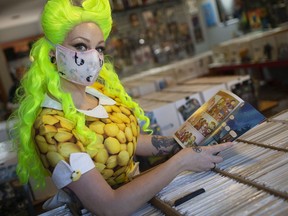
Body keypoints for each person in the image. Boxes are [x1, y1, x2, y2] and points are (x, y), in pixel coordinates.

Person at [10, 0, 233, 215]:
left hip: (146, 199)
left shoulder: (98, 92)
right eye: (80, 46)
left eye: (99, 48)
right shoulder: (51, 128)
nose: (93, 57)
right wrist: (181, 161)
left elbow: (130, 140)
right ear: (53, 55)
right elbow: (110, 207)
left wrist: (186, 142)